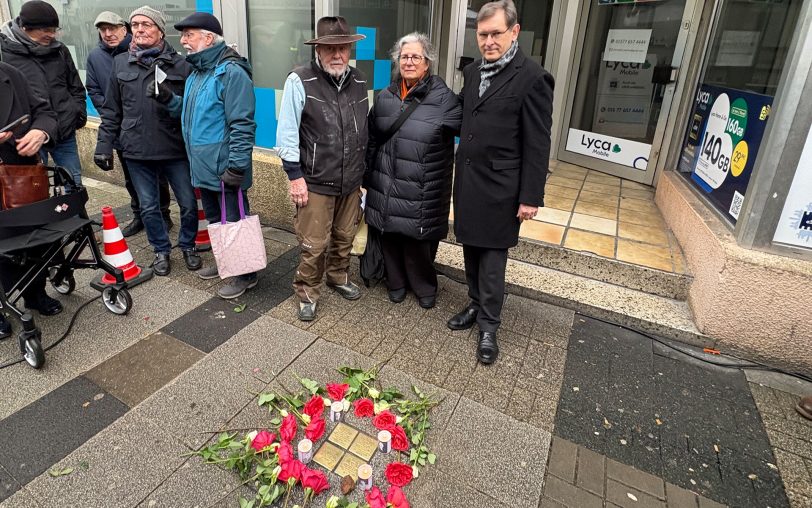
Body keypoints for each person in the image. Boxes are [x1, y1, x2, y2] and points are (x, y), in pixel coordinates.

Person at [447, 0, 554, 365]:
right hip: (470, 181)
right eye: (483, 34)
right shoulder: (474, 70)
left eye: (496, 33)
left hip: (502, 188)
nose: (489, 41)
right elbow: (462, 110)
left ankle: (490, 326)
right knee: (471, 248)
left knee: (493, 258)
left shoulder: (533, 78)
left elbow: (538, 143)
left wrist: (530, 197)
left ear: (514, 32)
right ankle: (476, 305)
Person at [94, 6, 201, 277]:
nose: (139, 29)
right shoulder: (120, 63)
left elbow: (191, 110)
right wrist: (104, 145)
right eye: (135, 25)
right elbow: (111, 110)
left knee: (188, 202)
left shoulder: (181, 64)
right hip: (136, 149)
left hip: (174, 148)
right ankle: (161, 250)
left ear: (160, 30)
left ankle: (187, 245)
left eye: (146, 24)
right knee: (149, 206)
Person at [276, 16, 368, 321]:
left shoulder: (359, 81)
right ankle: (306, 291)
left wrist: (362, 176)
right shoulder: (299, 80)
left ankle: (338, 276)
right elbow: (287, 134)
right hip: (314, 181)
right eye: (331, 49)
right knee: (313, 244)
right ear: (318, 50)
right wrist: (295, 178)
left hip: (351, 179)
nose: (338, 54)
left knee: (345, 235)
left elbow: (362, 132)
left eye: (343, 47)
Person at [162, 12, 258, 299]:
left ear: (207, 38)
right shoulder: (197, 74)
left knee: (235, 221)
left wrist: (238, 166)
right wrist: (168, 99)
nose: (183, 41)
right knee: (216, 221)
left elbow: (243, 123)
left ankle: (246, 275)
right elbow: (191, 116)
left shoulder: (231, 72)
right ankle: (226, 264)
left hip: (226, 169)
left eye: (188, 35)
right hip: (203, 168)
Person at [365, 32, 461, 309]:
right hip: (386, 180)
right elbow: (372, 138)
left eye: (415, 57)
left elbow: (468, 130)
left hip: (423, 184)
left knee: (417, 241)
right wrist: (366, 176)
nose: (409, 62)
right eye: (404, 57)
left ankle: (424, 286)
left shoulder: (443, 98)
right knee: (390, 235)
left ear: (427, 62)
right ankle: (395, 282)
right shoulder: (386, 96)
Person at [86, 10, 172, 238]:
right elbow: (93, 89)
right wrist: (110, 113)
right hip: (119, 129)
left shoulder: (140, 50)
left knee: (158, 175)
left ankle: (163, 215)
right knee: (131, 178)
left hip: (148, 128)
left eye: (112, 28)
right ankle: (139, 215)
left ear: (124, 29)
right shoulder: (95, 57)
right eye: (103, 30)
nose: (108, 34)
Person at [0, 60, 60, 338]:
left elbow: (43, 112)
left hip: (21, 177)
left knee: (32, 235)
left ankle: (35, 293)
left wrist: (40, 132)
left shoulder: (9, 73)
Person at [0, 0, 86, 189]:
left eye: (55, 29)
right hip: (26, 139)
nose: (52, 35)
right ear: (25, 28)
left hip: (64, 130)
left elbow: (76, 87)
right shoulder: (4, 53)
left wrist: (76, 114)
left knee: (75, 184)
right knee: (35, 189)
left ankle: (79, 217)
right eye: (46, 29)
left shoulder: (60, 50)